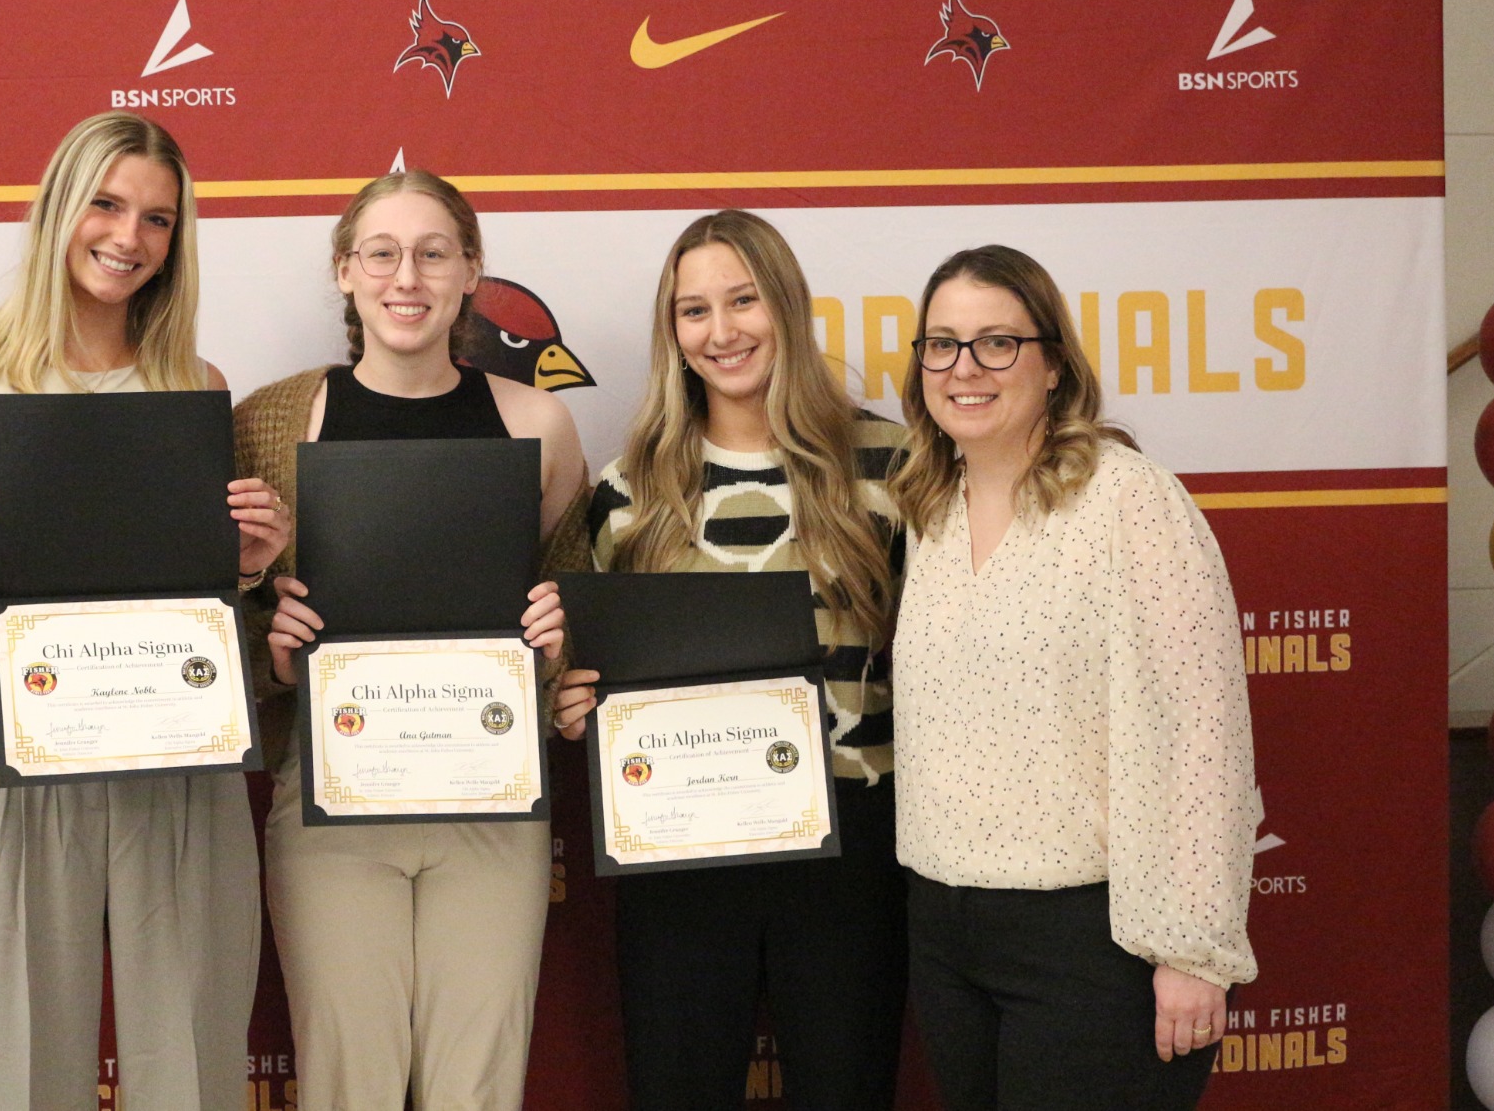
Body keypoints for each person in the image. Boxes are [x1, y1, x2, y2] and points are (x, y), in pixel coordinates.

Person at [0, 111, 291, 1111]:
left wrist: (246, 564)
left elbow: (193, 586)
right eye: (105, 203)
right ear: (59, 205)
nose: (127, 236)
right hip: (19, 742)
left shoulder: (195, 383)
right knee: (8, 1040)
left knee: (188, 1035)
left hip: (176, 746)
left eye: (155, 219)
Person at [235, 168, 590, 1111]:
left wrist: (562, 638)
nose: (408, 277)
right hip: (331, 798)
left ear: (471, 270)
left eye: (434, 253)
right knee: (348, 1082)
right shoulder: (272, 422)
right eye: (382, 253)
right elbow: (215, 623)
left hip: (492, 802)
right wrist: (270, 647)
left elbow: (577, 621)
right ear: (346, 272)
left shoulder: (540, 424)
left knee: (477, 1085)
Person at [552, 209, 909, 1110]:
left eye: (744, 300)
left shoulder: (890, 463)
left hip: (851, 847)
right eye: (694, 310)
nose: (723, 331)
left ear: (784, 304)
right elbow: (582, 672)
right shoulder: (628, 488)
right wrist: (576, 705)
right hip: (679, 852)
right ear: (672, 332)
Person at [887, 244, 1257, 1111]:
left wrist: (1193, 951)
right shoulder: (928, 508)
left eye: (997, 343)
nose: (964, 368)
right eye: (941, 344)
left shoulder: (1129, 500)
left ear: (1054, 364)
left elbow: (1204, 733)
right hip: (944, 928)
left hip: (1091, 939)